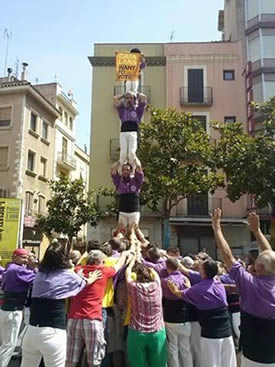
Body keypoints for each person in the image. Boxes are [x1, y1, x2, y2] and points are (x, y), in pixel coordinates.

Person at [211, 209, 275, 367]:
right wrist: (257, 231)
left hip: (255, 356)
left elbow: (228, 257)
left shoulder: (251, 284)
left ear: (259, 267)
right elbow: (271, 256)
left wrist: (217, 228)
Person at [20, 241, 100, 367]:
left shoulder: (40, 275)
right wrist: (92, 278)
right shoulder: (67, 275)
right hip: (53, 332)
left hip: (31, 331)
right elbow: (84, 282)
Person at [168, 258, 236, 367]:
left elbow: (179, 293)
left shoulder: (197, 290)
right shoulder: (218, 284)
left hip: (211, 336)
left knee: (211, 364)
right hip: (227, 334)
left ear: (203, 271)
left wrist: (175, 290)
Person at [66, 249, 129, 367]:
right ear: (99, 261)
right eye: (103, 261)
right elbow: (119, 265)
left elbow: (77, 264)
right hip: (92, 319)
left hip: (73, 318)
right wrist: (125, 254)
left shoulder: (78, 270)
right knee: (94, 360)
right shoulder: (103, 271)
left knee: (70, 359)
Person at [125, 229, 167, 367]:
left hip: (137, 332)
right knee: (159, 364)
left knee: (137, 364)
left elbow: (126, 275)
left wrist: (132, 262)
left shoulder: (134, 287)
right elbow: (155, 272)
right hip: (157, 332)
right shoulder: (157, 285)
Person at [0, 248, 35, 367]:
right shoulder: (16, 270)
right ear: (15, 257)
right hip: (13, 312)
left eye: (26, 257)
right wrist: (33, 264)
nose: (26, 260)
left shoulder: (10, 268)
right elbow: (36, 277)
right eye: (23, 257)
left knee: (5, 342)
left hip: (6, 309)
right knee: (9, 344)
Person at [113, 91, 147, 167]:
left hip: (133, 133)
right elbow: (115, 99)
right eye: (127, 98)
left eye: (130, 98)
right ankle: (121, 170)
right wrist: (123, 95)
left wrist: (136, 94)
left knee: (131, 153)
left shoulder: (138, 110)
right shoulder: (122, 109)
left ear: (134, 99)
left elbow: (144, 98)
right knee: (123, 153)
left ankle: (133, 170)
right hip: (123, 133)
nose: (128, 100)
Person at [111, 162, 144, 229]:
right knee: (120, 233)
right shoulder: (118, 181)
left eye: (127, 170)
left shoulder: (136, 181)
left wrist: (134, 159)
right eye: (124, 170)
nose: (125, 171)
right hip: (122, 212)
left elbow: (139, 168)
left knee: (133, 232)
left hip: (134, 212)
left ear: (131, 171)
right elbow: (112, 169)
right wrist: (120, 161)